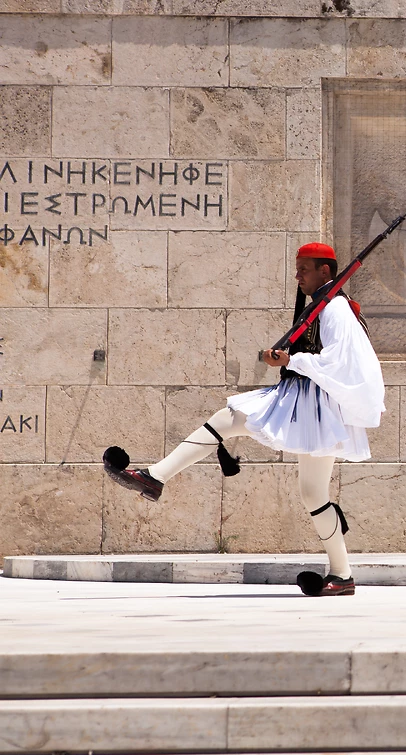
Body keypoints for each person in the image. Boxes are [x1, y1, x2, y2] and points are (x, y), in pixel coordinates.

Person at [103, 242, 386, 597]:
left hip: (314, 405)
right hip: (306, 401)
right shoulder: (322, 305)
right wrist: (286, 358)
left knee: (233, 420)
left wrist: (289, 361)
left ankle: (154, 478)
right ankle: (341, 576)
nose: (297, 275)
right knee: (309, 488)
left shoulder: (336, 309)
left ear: (325, 271)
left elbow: (341, 363)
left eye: (304, 269)